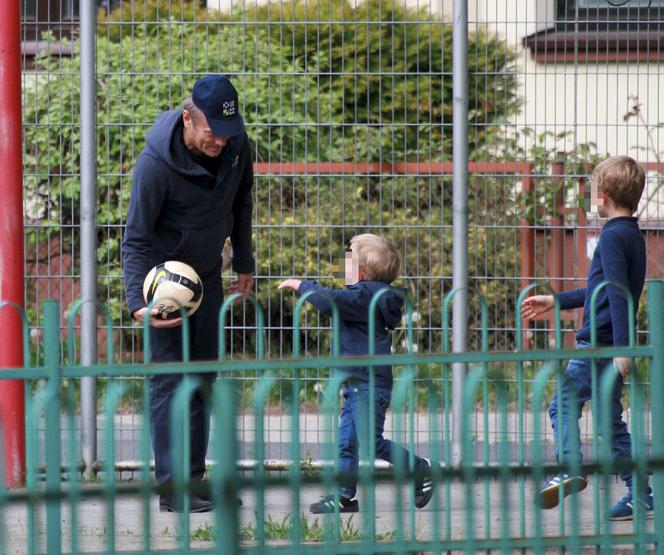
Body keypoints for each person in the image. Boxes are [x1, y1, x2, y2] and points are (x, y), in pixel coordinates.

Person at [122, 75, 255, 513]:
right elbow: (136, 239)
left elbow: (242, 203)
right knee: (168, 382)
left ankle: (194, 481)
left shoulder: (236, 147)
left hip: (208, 278)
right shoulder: (154, 166)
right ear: (187, 120)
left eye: (227, 130)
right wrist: (139, 306)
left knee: (201, 379)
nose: (220, 139)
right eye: (211, 130)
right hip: (165, 288)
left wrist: (244, 261)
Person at [521, 155, 650, 520]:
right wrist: (555, 301)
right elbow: (601, 289)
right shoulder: (632, 235)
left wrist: (624, 348)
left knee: (562, 405)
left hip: (597, 345)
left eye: (593, 189)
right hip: (610, 344)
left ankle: (570, 467)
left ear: (603, 195)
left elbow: (617, 293)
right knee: (609, 422)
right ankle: (640, 493)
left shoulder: (611, 237)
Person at [278, 234, 434, 513]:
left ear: (361, 271)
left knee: (370, 442)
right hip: (357, 382)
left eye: (347, 259)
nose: (342, 265)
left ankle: (421, 468)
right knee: (347, 442)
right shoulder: (373, 295)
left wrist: (301, 285)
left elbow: (329, 301)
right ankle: (343, 496)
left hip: (368, 383)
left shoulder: (363, 296)